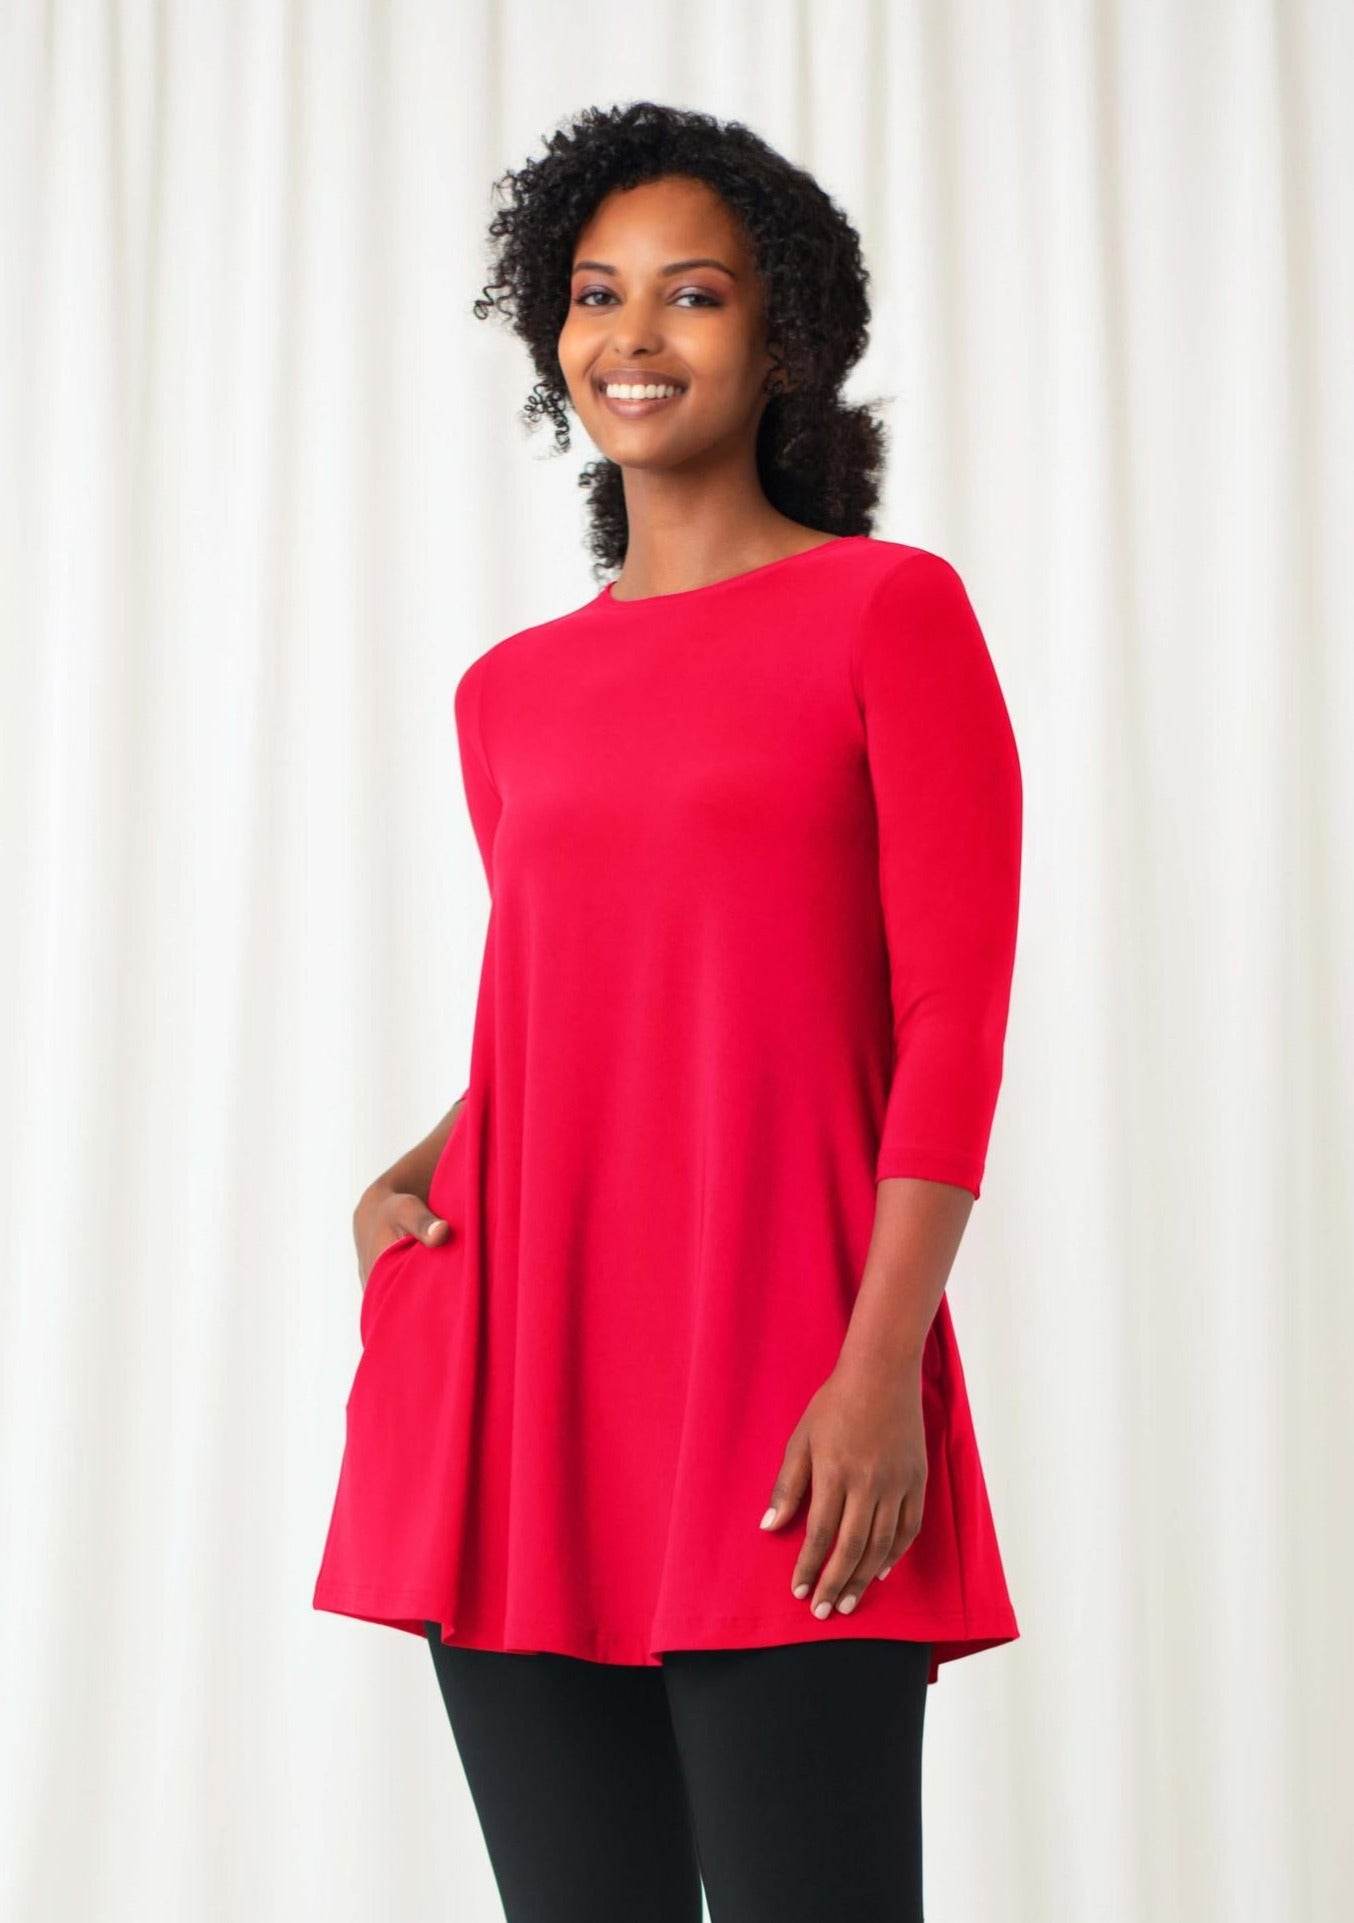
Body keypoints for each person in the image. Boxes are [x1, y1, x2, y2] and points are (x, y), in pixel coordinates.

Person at [313, 100, 1024, 1922]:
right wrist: (406, 1183)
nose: (632, 334)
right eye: (594, 293)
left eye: (690, 294)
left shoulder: (887, 612)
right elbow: (580, 1004)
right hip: (520, 1389)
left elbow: (950, 1017)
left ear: (782, 337)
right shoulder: (509, 693)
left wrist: (878, 1369)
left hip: (792, 1373)